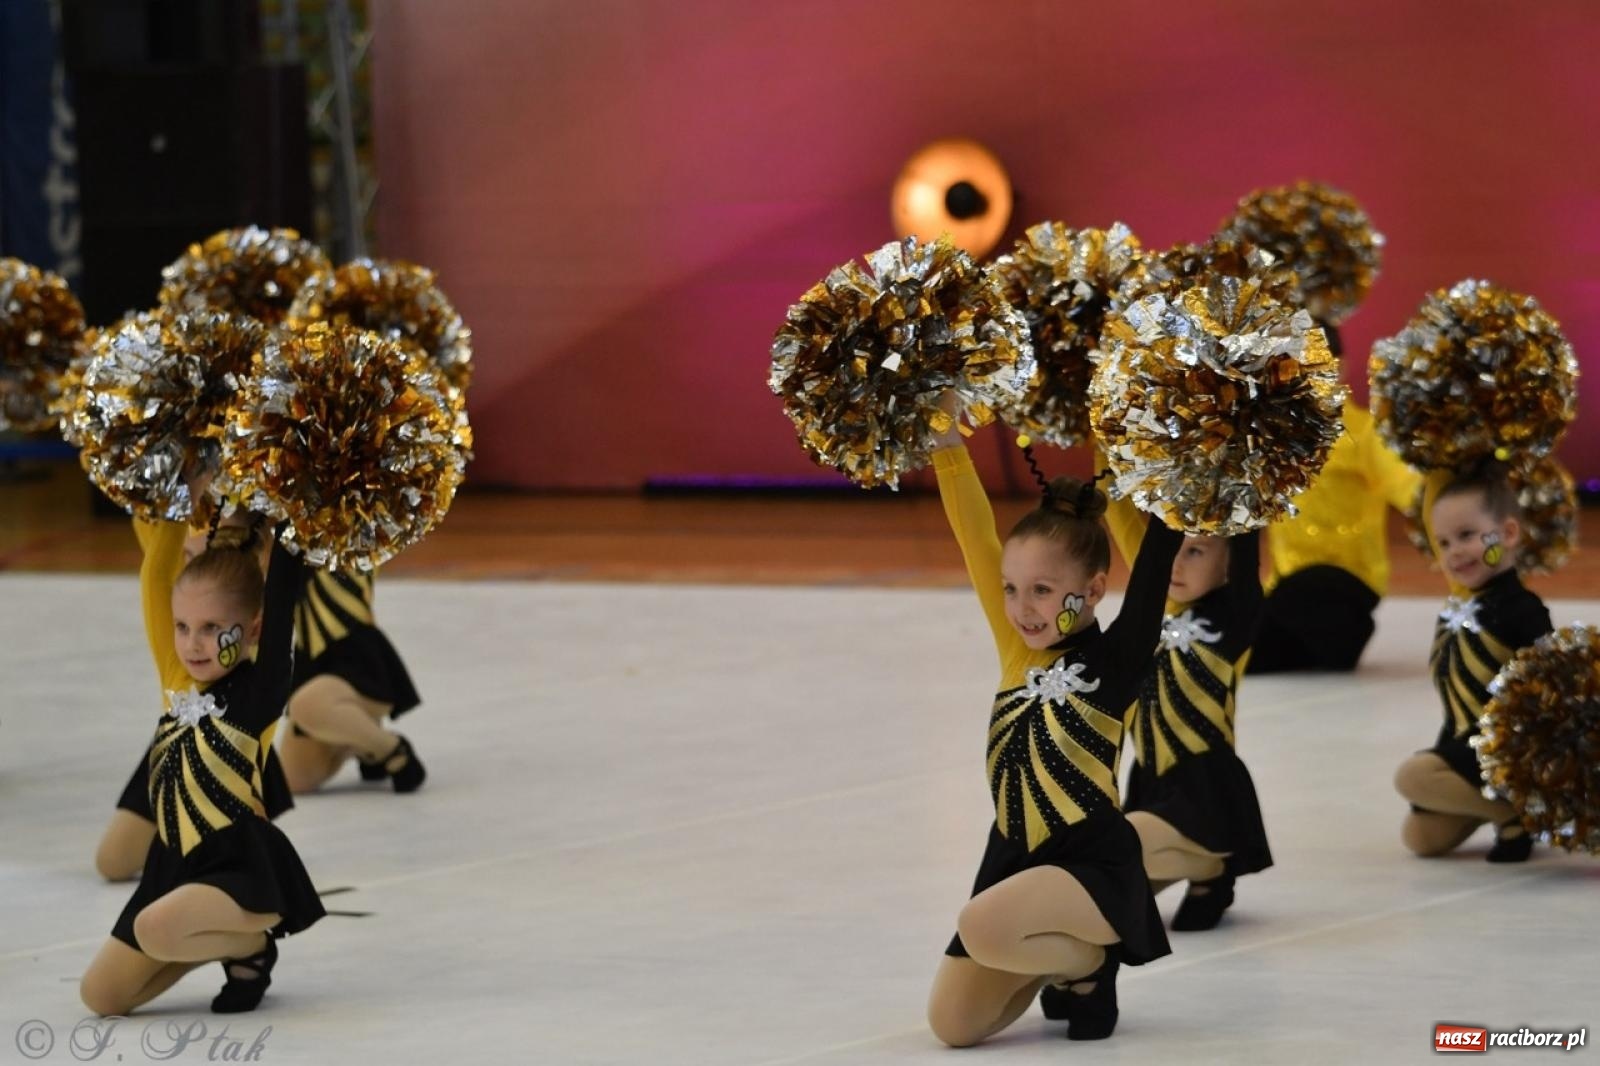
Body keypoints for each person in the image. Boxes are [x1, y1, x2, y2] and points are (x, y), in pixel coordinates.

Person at [925, 415, 1182, 1046]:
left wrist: (1186, 472)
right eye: (1013, 589)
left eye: (1042, 590)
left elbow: (1153, 568)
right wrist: (943, 438)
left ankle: (1092, 962)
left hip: (1089, 864)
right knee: (953, 1027)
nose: (1022, 608)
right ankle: (1065, 960)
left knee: (984, 925)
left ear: (1092, 591)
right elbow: (974, 536)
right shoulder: (1019, 654)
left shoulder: (1115, 663)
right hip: (1013, 857)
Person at [80, 515, 324, 1016]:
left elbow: (282, 605)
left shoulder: (260, 691)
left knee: (155, 928)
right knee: (101, 998)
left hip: (233, 868)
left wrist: (295, 513)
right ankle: (218, 944)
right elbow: (156, 574)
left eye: (213, 629)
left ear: (251, 628)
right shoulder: (176, 679)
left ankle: (249, 945)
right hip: (172, 868)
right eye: (184, 627)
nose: (193, 644)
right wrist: (173, 500)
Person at [1392, 465, 1551, 862]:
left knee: (1412, 776)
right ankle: (1502, 809)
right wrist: (1447, 757)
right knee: (1421, 838)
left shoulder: (1522, 611)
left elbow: (1549, 697)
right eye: (1443, 543)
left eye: (1467, 535)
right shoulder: (1456, 610)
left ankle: (1518, 813)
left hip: (1512, 753)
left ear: (1508, 534)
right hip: (1469, 750)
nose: (1454, 552)